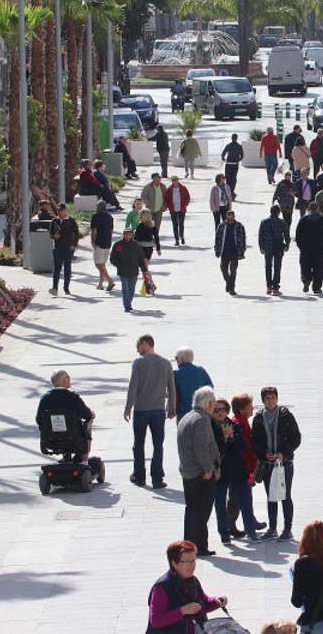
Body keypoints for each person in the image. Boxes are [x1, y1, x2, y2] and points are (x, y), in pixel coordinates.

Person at [124, 334, 177, 489]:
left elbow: (132, 387)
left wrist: (128, 408)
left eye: (138, 345)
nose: (137, 349)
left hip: (141, 410)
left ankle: (139, 476)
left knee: (138, 444)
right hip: (158, 410)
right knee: (158, 445)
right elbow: (171, 388)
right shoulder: (166, 363)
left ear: (146, 343)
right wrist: (171, 408)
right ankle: (157, 479)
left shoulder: (138, 363)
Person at [251, 386, 301, 541]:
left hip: (284, 463)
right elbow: (255, 442)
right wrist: (264, 454)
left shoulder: (286, 415)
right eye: (267, 398)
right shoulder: (259, 418)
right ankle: (272, 528)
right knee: (271, 496)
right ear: (263, 400)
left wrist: (283, 453)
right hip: (268, 464)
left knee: (285, 495)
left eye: (273, 398)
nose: (271, 401)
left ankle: (288, 528)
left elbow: (296, 438)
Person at [145, 540, 227, 633]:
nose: (191, 565)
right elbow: (156, 620)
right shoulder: (162, 587)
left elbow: (203, 603)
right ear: (174, 563)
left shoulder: (192, 581)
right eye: (187, 561)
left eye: (193, 561)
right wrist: (182, 611)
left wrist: (216, 601)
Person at [177, 386, 220, 555]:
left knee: (192, 510)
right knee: (202, 512)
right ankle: (200, 547)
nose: (215, 406)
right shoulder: (202, 420)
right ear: (208, 403)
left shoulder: (187, 417)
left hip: (188, 472)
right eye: (214, 403)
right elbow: (201, 448)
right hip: (200, 474)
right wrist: (208, 469)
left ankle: (189, 545)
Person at [212, 398, 261, 545]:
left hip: (238, 470)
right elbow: (213, 449)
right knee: (220, 504)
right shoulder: (210, 427)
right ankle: (224, 534)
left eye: (223, 409)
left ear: (227, 410)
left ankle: (251, 532)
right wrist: (224, 437)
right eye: (216, 410)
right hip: (220, 472)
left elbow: (242, 445)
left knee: (246, 501)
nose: (220, 412)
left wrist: (232, 436)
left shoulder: (234, 424)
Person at [35, 370, 95, 458]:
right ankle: (84, 458)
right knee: (89, 421)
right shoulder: (72, 397)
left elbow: (38, 419)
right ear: (64, 381)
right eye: (68, 377)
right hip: (74, 438)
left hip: (51, 439)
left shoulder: (45, 399)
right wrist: (91, 415)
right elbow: (87, 415)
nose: (70, 379)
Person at [295, 206, 323, 294]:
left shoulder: (303, 220)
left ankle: (306, 279)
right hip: (320, 249)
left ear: (308, 209)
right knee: (319, 268)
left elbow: (298, 235)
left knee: (305, 266)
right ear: (317, 209)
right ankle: (317, 288)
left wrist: (301, 246)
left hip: (305, 249)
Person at [110, 229, 149, 312]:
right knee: (125, 289)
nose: (127, 236)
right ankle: (127, 306)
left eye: (129, 234)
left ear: (132, 235)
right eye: (126, 234)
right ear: (123, 235)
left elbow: (141, 259)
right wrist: (119, 265)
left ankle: (128, 303)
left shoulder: (136, 245)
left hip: (134, 271)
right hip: (123, 272)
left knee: (131, 289)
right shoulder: (118, 245)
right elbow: (112, 258)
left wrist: (144, 270)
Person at [259, 204, 290, 295]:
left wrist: (261, 247)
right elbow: (286, 234)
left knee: (268, 266)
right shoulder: (282, 222)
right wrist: (287, 244)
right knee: (277, 267)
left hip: (267, 247)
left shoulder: (264, 222)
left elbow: (261, 236)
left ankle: (269, 287)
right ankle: (275, 288)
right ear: (278, 213)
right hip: (278, 247)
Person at [49, 204, 80, 296]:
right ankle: (55, 288)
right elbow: (50, 234)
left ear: (65, 210)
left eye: (61, 210)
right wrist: (54, 236)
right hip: (57, 248)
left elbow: (77, 234)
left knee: (67, 269)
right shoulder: (54, 221)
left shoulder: (71, 221)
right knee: (57, 269)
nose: (60, 212)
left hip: (68, 249)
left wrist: (74, 245)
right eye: (58, 210)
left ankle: (66, 288)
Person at [214, 210, 247, 295]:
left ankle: (232, 288)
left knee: (233, 271)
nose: (230, 218)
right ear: (226, 216)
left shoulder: (239, 226)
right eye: (229, 216)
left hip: (235, 252)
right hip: (224, 252)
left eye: (231, 216)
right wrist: (216, 249)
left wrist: (242, 250)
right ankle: (229, 283)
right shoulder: (222, 226)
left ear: (234, 216)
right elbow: (217, 238)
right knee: (223, 269)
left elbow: (243, 239)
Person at [91, 200, 116, 291]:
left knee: (98, 264)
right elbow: (111, 230)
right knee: (102, 265)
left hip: (99, 243)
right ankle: (100, 284)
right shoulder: (110, 217)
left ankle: (110, 281)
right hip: (108, 243)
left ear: (98, 207)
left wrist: (93, 241)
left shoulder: (95, 216)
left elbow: (94, 230)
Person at [141, 174, 166, 254]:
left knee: (157, 226)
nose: (157, 180)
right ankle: (148, 239)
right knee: (149, 225)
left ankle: (155, 240)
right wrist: (148, 204)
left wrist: (165, 206)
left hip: (159, 210)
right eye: (155, 179)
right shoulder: (148, 187)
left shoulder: (163, 187)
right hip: (150, 210)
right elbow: (143, 196)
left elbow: (166, 197)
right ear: (152, 179)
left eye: (158, 179)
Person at [163, 176, 191, 247]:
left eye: (175, 180)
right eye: (173, 180)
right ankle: (176, 240)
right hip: (173, 209)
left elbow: (188, 197)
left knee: (181, 224)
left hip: (181, 209)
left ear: (178, 181)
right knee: (175, 225)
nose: (174, 182)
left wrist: (185, 204)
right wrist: (168, 206)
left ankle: (182, 237)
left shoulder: (183, 188)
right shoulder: (169, 189)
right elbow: (166, 199)